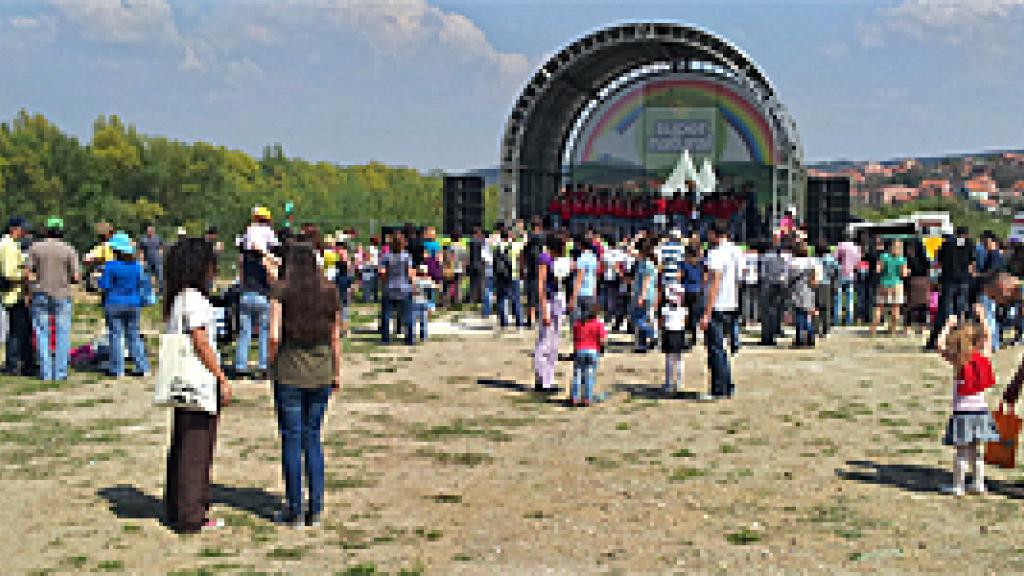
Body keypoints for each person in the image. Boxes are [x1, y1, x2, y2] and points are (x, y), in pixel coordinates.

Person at [267, 243, 341, 527]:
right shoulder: (329, 291)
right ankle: (316, 507)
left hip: (289, 371)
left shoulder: (281, 291)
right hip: (321, 371)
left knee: (291, 439)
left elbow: (273, 335)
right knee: (313, 439)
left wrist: (271, 363)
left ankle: (294, 509)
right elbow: (335, 336)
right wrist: (337, 371)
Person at [163, 238, 232, 534]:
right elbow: (200, 340)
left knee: (182, 441)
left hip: (182, 380)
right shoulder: (194, 298)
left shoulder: (179, 296)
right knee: (197, 446)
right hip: (199, 379)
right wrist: (221, 377)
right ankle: (192, 513)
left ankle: (178, 505)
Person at [935, 315, 999, 496]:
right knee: (976, 452)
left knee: (961, 452)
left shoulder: (958, 360)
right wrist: (983, 317)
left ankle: (958, 485)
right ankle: (978, 483)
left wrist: (947, 325)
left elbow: (939, 345)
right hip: (981, 411)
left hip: (963, 413)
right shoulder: (983, 356)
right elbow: (988, 335)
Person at [27, 218, 80, 382]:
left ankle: (46, 372)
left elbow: (28, 273)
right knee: (62, 333)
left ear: (46, 230)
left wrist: (29, 290)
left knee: (42, 333)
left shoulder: (35, 248)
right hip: (62, 294)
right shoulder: (69, 249)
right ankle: (60, 372)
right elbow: (76, 277)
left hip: (40, 292)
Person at [98, 232, 150, 378]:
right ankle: (142, 366)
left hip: (114, 303)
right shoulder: (136, 267)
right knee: (134, 336)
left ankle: (117, 368)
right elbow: (142, 283)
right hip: (133, 303)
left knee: (116, 336)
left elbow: (105, 285)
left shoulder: (111, 266)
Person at [701, 222, 742, 400]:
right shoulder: (736, 251)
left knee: (715, 349)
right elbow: (739, 278)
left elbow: (714, 283)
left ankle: (719, 388)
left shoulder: (715, 254)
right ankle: (727, 385)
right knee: (721, 348)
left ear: (713, 234)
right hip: (731, 303)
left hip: (717, 304)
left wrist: (707, 312)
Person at [235, 226, 274, 379]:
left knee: (244, 332)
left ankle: (240, 366)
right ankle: (263, 365)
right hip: (261, 295)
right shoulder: (265, 260)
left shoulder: (244, 260)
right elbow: (271, 278)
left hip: (246, 295)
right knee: (264, 331)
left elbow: (242, 277)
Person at [927, 227, 975, 350]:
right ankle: (958, 341)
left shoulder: (946, 244)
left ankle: (939, 339)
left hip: (948, 280)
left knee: (945, 312)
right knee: (960, 312)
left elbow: (938, 262)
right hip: (963, 280)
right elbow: (972, 265)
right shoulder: (970, 244)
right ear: (966, 234)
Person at [0, 217, 31, 375]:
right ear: (14, 229)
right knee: (17, 332)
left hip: (12, 294)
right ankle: (14, 364)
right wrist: (25, 274)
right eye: (22, 229)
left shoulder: (10, 244)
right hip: (14, 294)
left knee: (16, 330)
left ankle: (15, 363)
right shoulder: (9, 246)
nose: (24, 233)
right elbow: (9, 273)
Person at [534, 234, 565, 391]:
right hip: (549, 300)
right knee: (545, 340)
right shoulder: (545, 258)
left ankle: (548, 378)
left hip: (557, 299)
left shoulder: (556, 260)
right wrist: (544, 308)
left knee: (554, 341)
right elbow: (541, 283)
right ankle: (542, 378)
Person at [379, 233, 415, 345]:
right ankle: (409, 338)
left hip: (390, 288)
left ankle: (385, 338)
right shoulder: (407, 256)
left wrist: (384, 283)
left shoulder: (386, 256)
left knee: (386, 315)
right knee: (408, 315)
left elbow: (382, 272)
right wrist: (412, 283)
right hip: (404, 288)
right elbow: (409, 274)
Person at [570, 301, 607, 407]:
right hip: (593, 351)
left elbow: (575, 339)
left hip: (580, 350)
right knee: (589, 375)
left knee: (577, 374)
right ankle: (587, 398)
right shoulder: (598, 324)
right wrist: (602, 349)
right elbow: (602, 339)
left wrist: (574, 351)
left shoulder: (577, 324)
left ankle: (575, 397)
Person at [871, 240, 908, 337]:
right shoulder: (902, 259)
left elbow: (878, 270)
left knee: (879, 306)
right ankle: (893, 330)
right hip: (896, 283)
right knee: (895, 308)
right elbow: (903, 274)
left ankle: (874, 329)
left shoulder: (884, 257)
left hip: (884, 282)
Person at [660, 284, 690, 395]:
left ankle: (669, 383)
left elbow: (662, 321)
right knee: (678, 359)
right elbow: (685, 322)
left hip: (669, 332)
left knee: (669, 360)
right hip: (679, 333)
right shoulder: (683, 310)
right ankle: (679, 382)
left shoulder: (665, 309)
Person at [630, 238, 658, 354]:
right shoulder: (642, 262)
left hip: (645, 295)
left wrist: (641, 296)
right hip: (642, 294)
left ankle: (652, 334)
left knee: (638, 319)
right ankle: (642, 344)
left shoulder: (647, 264)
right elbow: (630, 250)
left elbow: (646, 282)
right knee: (641, 319)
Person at [789, 243, 817, 347]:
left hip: (797, 288)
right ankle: (810, 336)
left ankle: (800, 338)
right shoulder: (811, 261)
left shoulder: (793, 262)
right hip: (808, 288)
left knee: (799, 314)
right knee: (807, 313)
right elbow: (815, 276)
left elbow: (789, 277)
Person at [905, 238, 933, 336]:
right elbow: (929, 269)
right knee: (923, 306)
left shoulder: (909, 257)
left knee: (909, 306)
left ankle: (908, 326)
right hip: (923, 281)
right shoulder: (925, 258)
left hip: (911, 281)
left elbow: (906, 271)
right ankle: (922, 326)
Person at [834, 233, 861, 327]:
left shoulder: (840, 246)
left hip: (840, 274)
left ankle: (837, 319)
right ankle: (849, 320)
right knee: (850, 299)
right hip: (851, 274)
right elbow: (858, 261)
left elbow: (835, 259)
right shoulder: (856, 247)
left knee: (839, 298)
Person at [570, 234, 599, 322]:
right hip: (590, 292)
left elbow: (579, 278)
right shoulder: (594, 258)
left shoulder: (582, 258)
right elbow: (594, 276)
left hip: (581, 292)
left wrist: (573, 297)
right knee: (588, 321)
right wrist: (595, 293)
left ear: (580, 245)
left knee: (577, 322)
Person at [815, 241, 837, 339]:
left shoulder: (814, 260)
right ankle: (826, 330)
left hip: (816, 284)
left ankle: (816, 328)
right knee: (826, 308)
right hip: (827, 283)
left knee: (816, 306)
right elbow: (837, 270)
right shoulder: (831, 259)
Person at [412, 264, 436, 342]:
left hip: (415, 301)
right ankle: (424, 337)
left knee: (413, 321)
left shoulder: (414, 280)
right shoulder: (429, 281)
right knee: (424, 321)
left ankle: (412, 337)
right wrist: (432, 306)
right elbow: (431, 295)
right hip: (424, 301)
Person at [139, 225, 164, 295]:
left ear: (153, 231)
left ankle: (161, 291)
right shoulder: (143, 239)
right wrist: (142, 261)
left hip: (158, 261)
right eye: (148, 230)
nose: (149, 232)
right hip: (148, 261)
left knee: (160, 276)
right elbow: (141, 251)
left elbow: (161, 248)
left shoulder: (158, 238)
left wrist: (161, 257)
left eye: (150, 230)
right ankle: (149, 292)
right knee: (148, 277)